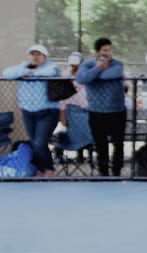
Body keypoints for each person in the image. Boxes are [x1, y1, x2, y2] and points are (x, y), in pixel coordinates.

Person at [3, 45, 62, 177]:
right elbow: (7, 73)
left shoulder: (50, 67)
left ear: (44, 57)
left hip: (47, 112)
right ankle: (40, 169)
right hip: (28, 112)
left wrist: (29, 73)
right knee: (34, 142)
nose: (35, 56)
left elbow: (50, 73)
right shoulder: (23, 67)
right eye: (32, 54)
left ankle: (49, 169)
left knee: (40, 142)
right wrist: (26, 71)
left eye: (38, 54)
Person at [76, 37, 127, 177]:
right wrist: (98, 68)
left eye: (110, 50)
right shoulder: (87, 65)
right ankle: (103, 172)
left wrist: (93, 75)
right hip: (96, 111)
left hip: (117, 111)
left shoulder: (118, 64)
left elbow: (112, 74)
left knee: (118, 143)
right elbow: (81, 78)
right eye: (105, 50)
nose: (108, 53)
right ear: (97, 52)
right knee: (100, 144)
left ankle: (117, 170)